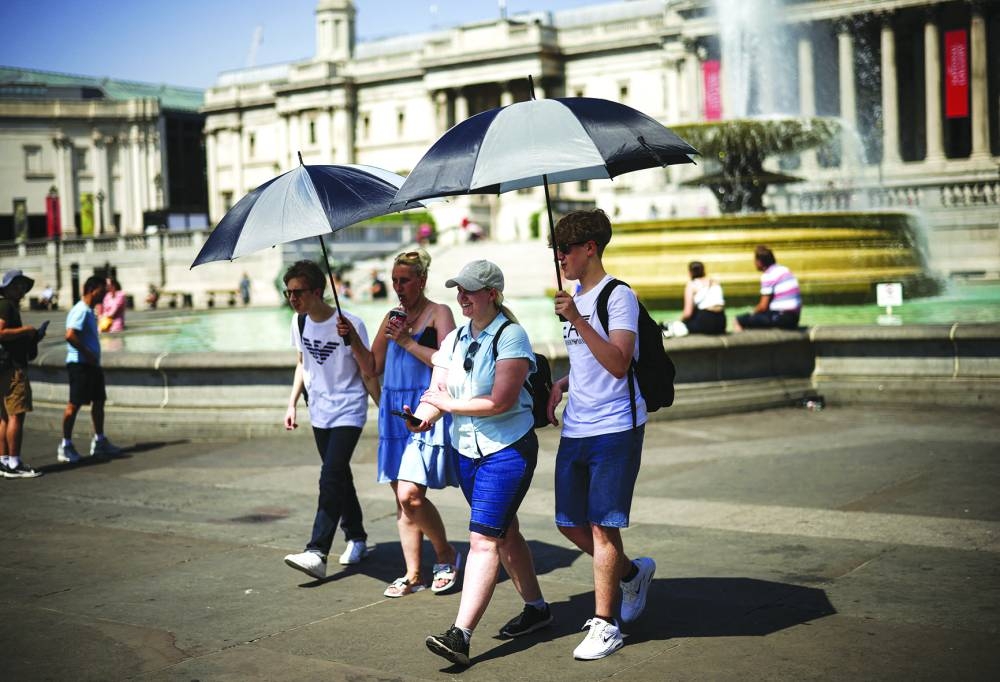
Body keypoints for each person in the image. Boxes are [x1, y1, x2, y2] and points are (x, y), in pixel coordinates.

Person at [408, 260, 550, 667]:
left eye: (469, 290)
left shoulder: (512, 337)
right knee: (505, 533)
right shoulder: (453, 339)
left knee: (483, 540)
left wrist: (447, 405)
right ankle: (538, 609)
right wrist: (424, 417)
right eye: (457, 290)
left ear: (492, 293)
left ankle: (460, 635)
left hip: (506, 451)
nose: (461, 297)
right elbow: (437, 388)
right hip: (466, 452)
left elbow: (501, 400)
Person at [547, 209, 656, 661]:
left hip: (616, 426)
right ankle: (631, 573)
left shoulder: (618, 296)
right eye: (556, 251)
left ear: (590, 248)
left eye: (565, 250)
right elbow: (589, 362)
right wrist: (562, 384)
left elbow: (618, 362)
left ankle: (606, 624)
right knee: (567, 521)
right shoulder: (574, 295)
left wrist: (578, 316)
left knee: (602, 524)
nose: (560, 259)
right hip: (578, 423)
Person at [340, 249, 461, 598]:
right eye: (394, 280)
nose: (397, 287)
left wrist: (407, 341)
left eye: (404, 280)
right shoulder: (391, 316)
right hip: (394, 412)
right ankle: (413, 574)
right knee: (402, 498)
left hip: (422, 411)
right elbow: (371, 366)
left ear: (421, 280)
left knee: (411, 495)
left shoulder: (439, 313)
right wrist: (352, 340)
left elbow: (450, 362)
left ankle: (445, 553)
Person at [281, 260, 374, 580]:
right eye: (288, 292)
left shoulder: (352, 323)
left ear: (318, 291)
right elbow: (302, 363)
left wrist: (351, 339)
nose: (292, 298)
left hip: (349, 407)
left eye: (298, 292)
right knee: (339, 475)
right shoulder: (300, 322)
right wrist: (292, 403)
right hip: (318, 408)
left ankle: (317, 551)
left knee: (330, 473)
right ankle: (357, 536)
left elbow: (368, 366)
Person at [59, 276, 123, 463]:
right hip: (80, 365)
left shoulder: (88, 310)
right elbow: (70, 335)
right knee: (74, 405)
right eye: (102, 290)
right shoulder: (80, 310)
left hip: (90, 364)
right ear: (92, 289)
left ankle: (100, 440)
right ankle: (66, 444)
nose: (104, 294)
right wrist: (87, 353)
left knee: (99, 401)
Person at [0, 269, 43, 478]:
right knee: (16, 415)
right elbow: (0, 333)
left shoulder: (6, 306)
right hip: (13, 368)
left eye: (23, 286)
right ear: (7, 288)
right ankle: (15, 463)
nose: (21, 290)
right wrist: (26, 331)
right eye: (17, 285)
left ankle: (4, 461)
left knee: (4, 417)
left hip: (4, 367)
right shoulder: (6, 306)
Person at [734, 245, 802, 331]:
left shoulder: (768, 275)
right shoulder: (785, 270)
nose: (754, 263)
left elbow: (763, 306)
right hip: (794, 318)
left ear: (760, 262)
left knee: (739, 320)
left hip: (780, 317)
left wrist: (752, 313)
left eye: (755, 260)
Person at [663, 261, 727, 337]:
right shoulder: (715, 282)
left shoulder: (692, 285)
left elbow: (687, 313)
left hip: (706, 321)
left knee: (675, 326)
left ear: (690, 272)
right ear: (704, 270)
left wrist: (679, 321)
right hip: (721, 321)